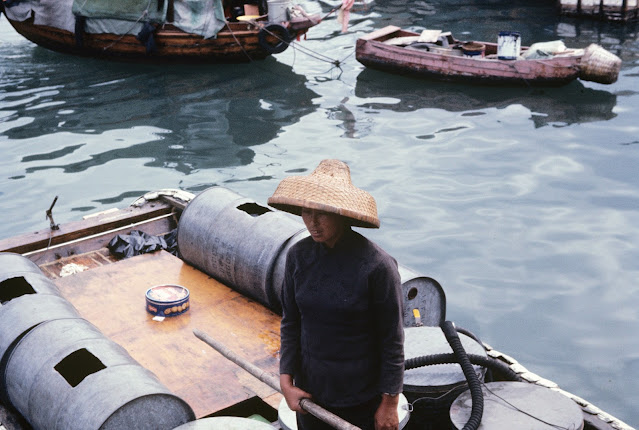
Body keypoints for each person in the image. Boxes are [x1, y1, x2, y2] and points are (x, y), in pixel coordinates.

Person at [268, 159, 404, 430]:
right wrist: (286, 383)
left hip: (361, 397)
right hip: (311, 393)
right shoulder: (298, 256)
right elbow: (291, 322)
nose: (312, 222)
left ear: (342, 214)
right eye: (306, 212)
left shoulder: (377, 267)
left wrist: (389, 403)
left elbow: (392, 340)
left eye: (322, 213)